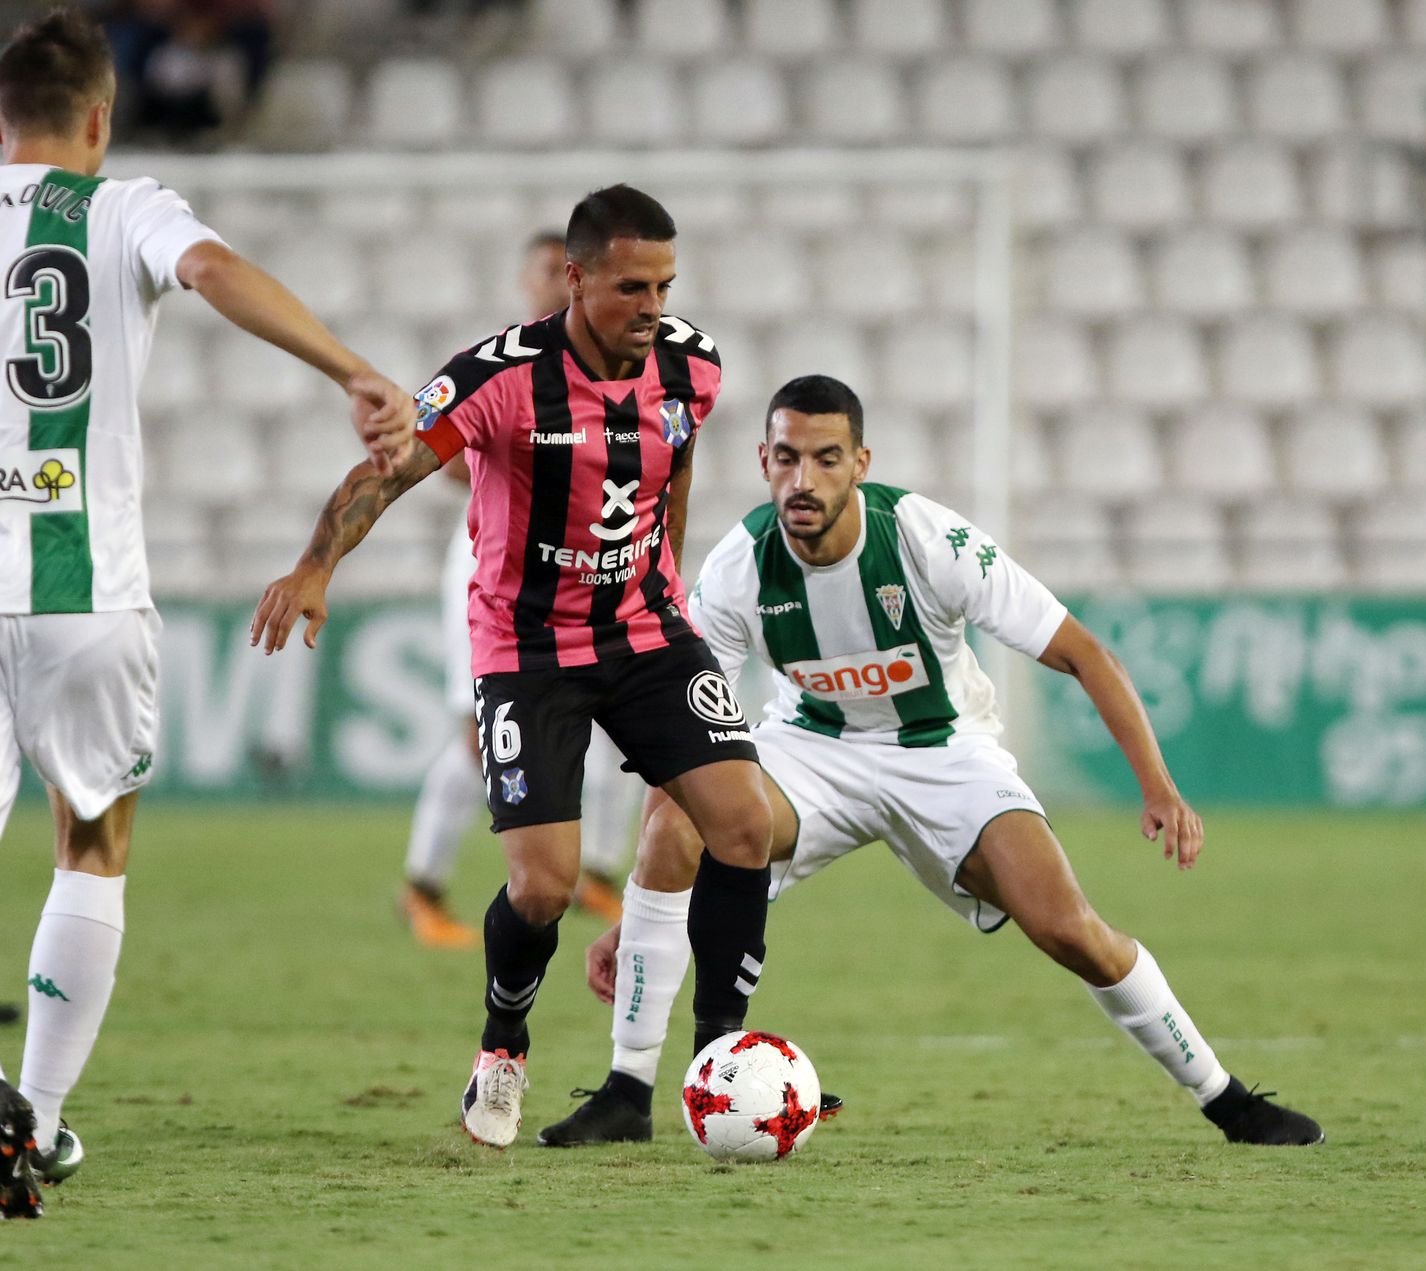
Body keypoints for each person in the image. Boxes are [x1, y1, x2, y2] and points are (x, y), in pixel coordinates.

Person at [539, 375, 1325, 1150]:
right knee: (679, 820)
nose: (802, 478)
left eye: (825, 457)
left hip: (944, 751)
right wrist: (645, 899)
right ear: (762, 460)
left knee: (1067, 928)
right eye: (786, 458)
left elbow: (1087, 653)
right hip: (812, 749)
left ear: (861, 462)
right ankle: (628, 1089)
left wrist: (1159, 788)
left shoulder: (926, 540)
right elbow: (690, 742)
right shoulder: (739, 566)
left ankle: (1226, 1099)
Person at [0, 9, 414, 1220]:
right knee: (90, 845)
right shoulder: (123, 203)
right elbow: (211, 270)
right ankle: (33, 1118)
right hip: (83, 580)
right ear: (100, 120)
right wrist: (347, 365)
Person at [251, 185, 775, 1150]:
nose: (652, 304)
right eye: (630, 285)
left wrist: (671, 589)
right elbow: (391, 469)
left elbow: (680, 466)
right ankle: (503, 1045)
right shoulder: (501, 375)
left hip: (648, 631)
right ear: (574, 278)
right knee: (544, 887)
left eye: (664, 282)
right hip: (527, 649)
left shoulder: (693, 364)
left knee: (745, 823)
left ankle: (719, 1065)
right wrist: (317, 564)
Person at [400, 230, 636, 948]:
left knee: (621, 712)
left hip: (577, 561)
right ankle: (423, 886)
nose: (556, 284)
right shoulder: (497, 363)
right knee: (482, 731)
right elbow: (427, 450)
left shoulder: (610, 366)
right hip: (489, 561)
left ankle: (597, 870)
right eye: (543, 270)